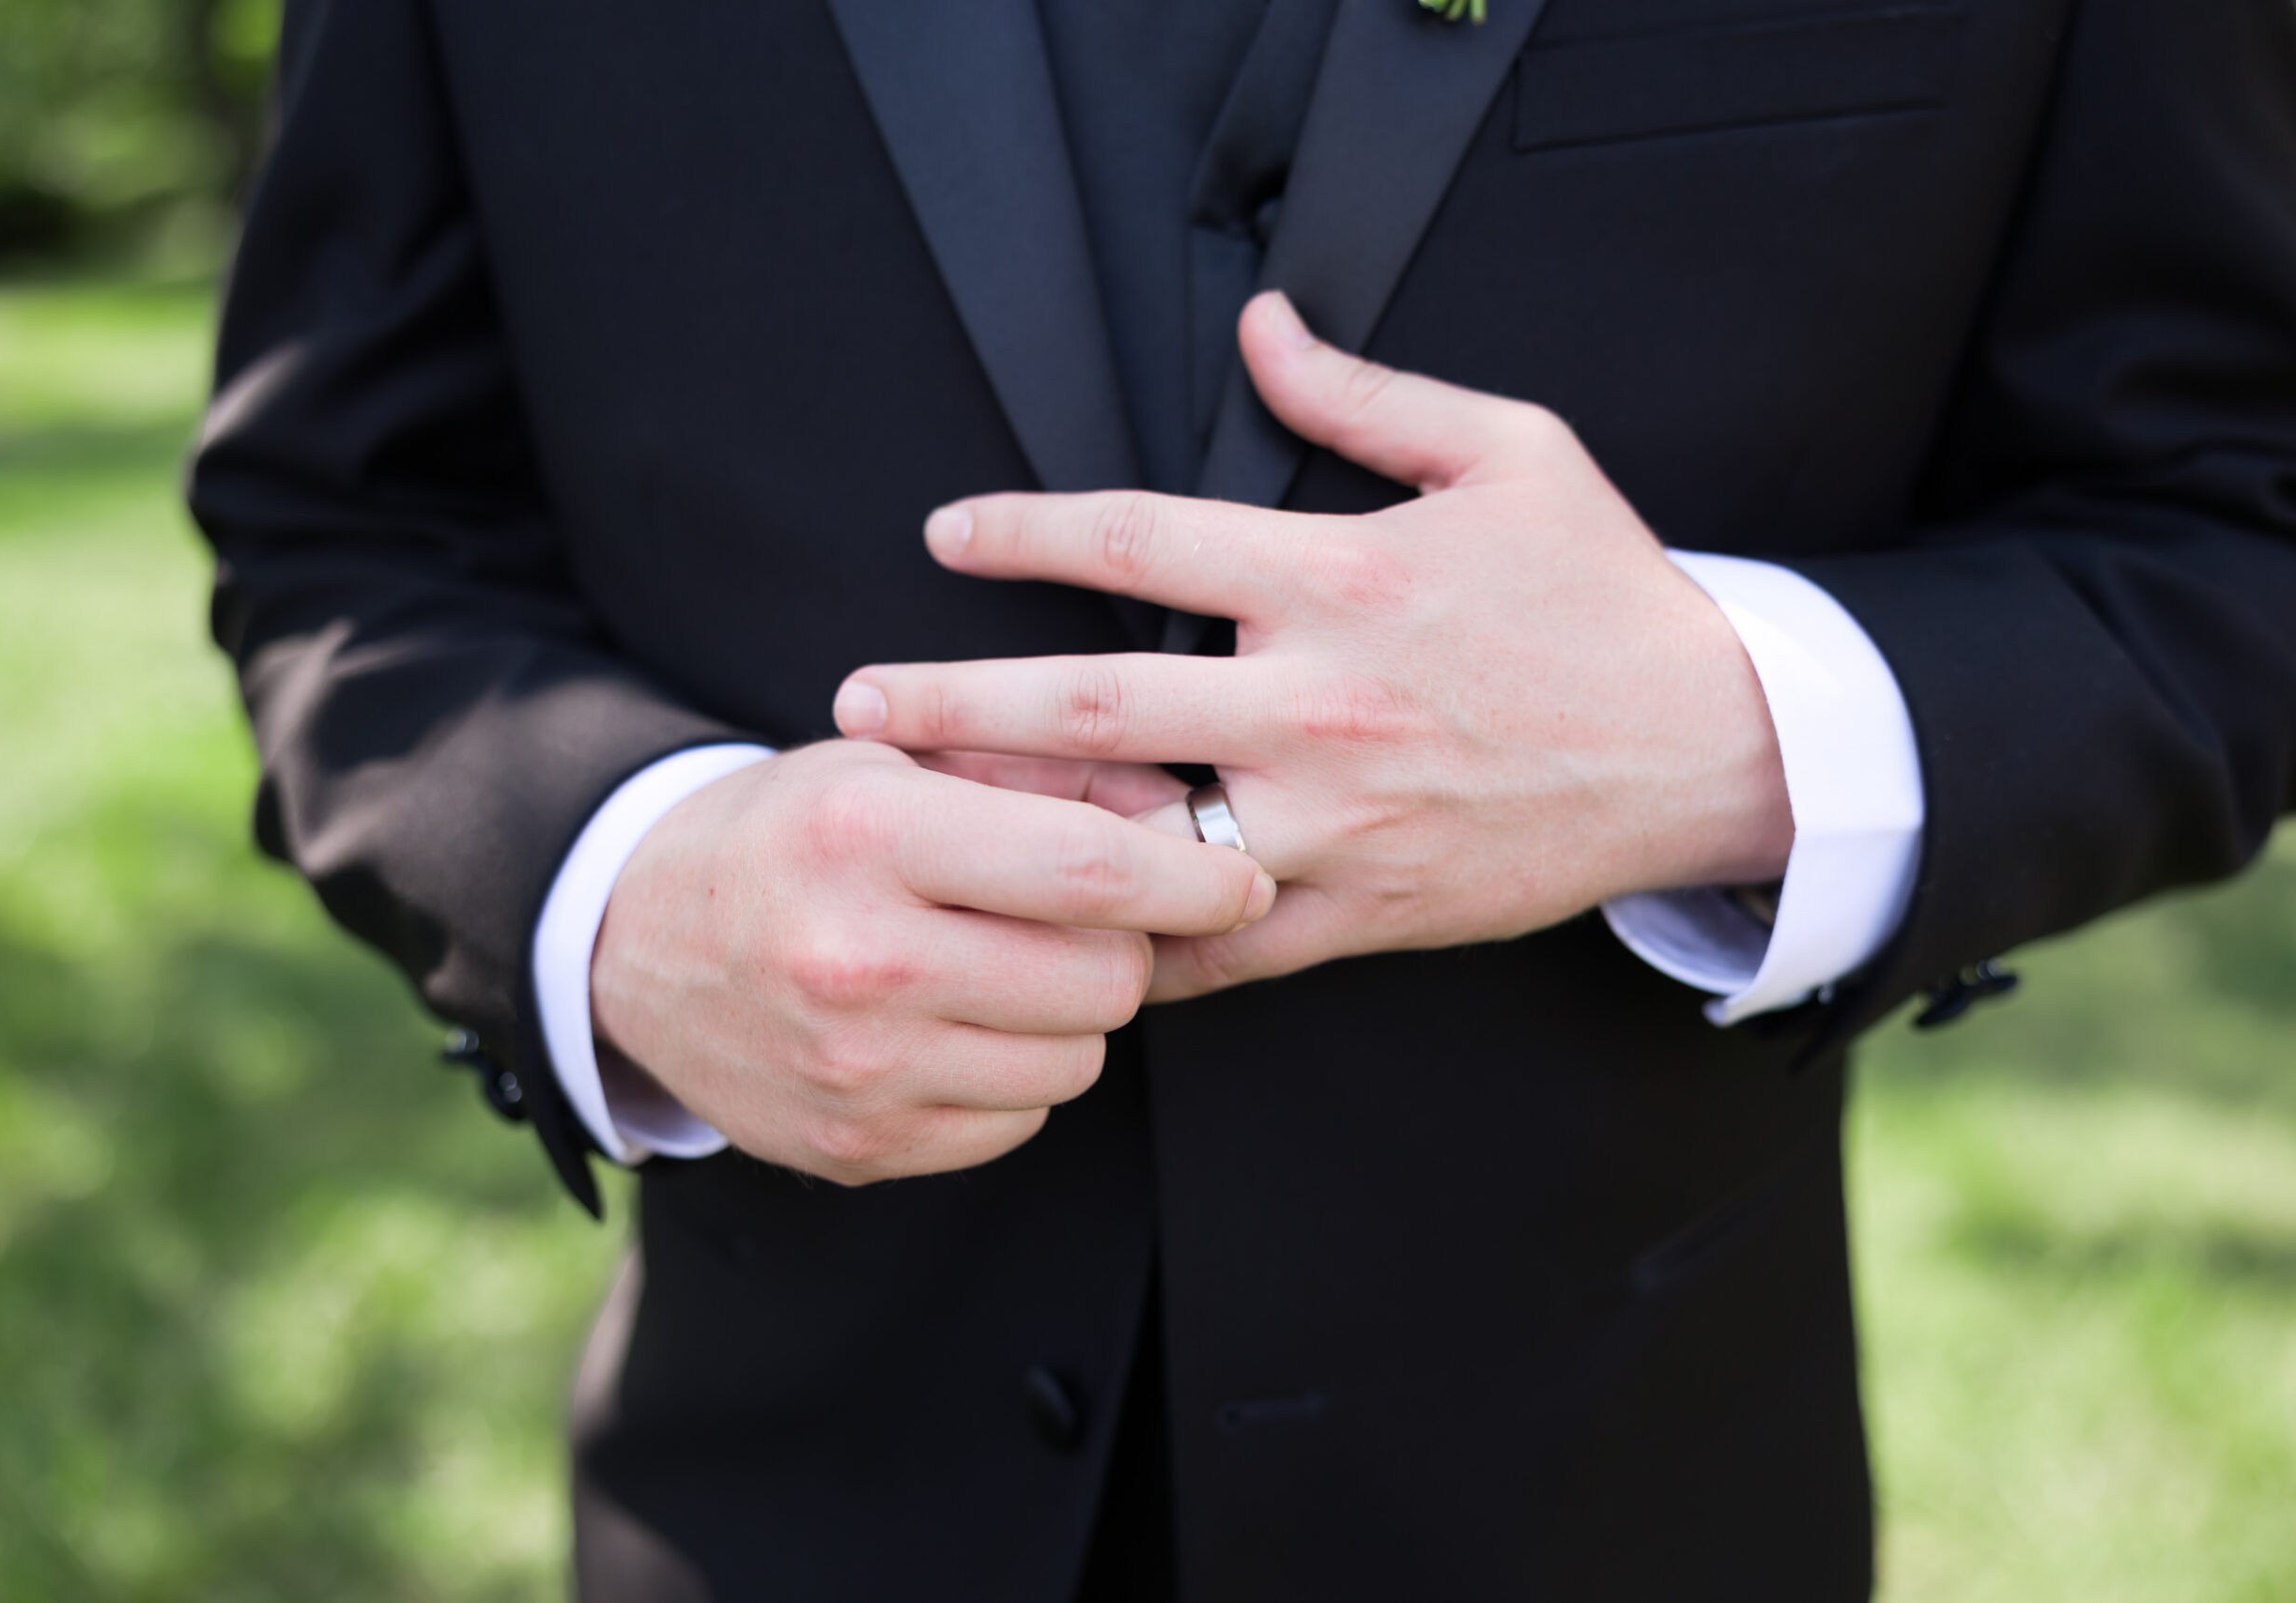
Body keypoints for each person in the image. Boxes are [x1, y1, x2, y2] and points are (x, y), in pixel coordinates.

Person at [188, 1, 2296, 1597]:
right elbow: (343, 527)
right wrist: (619, 886)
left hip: (1627, 1496)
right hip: (781, 1503)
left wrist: (1738, 733)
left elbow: (2230, 518)